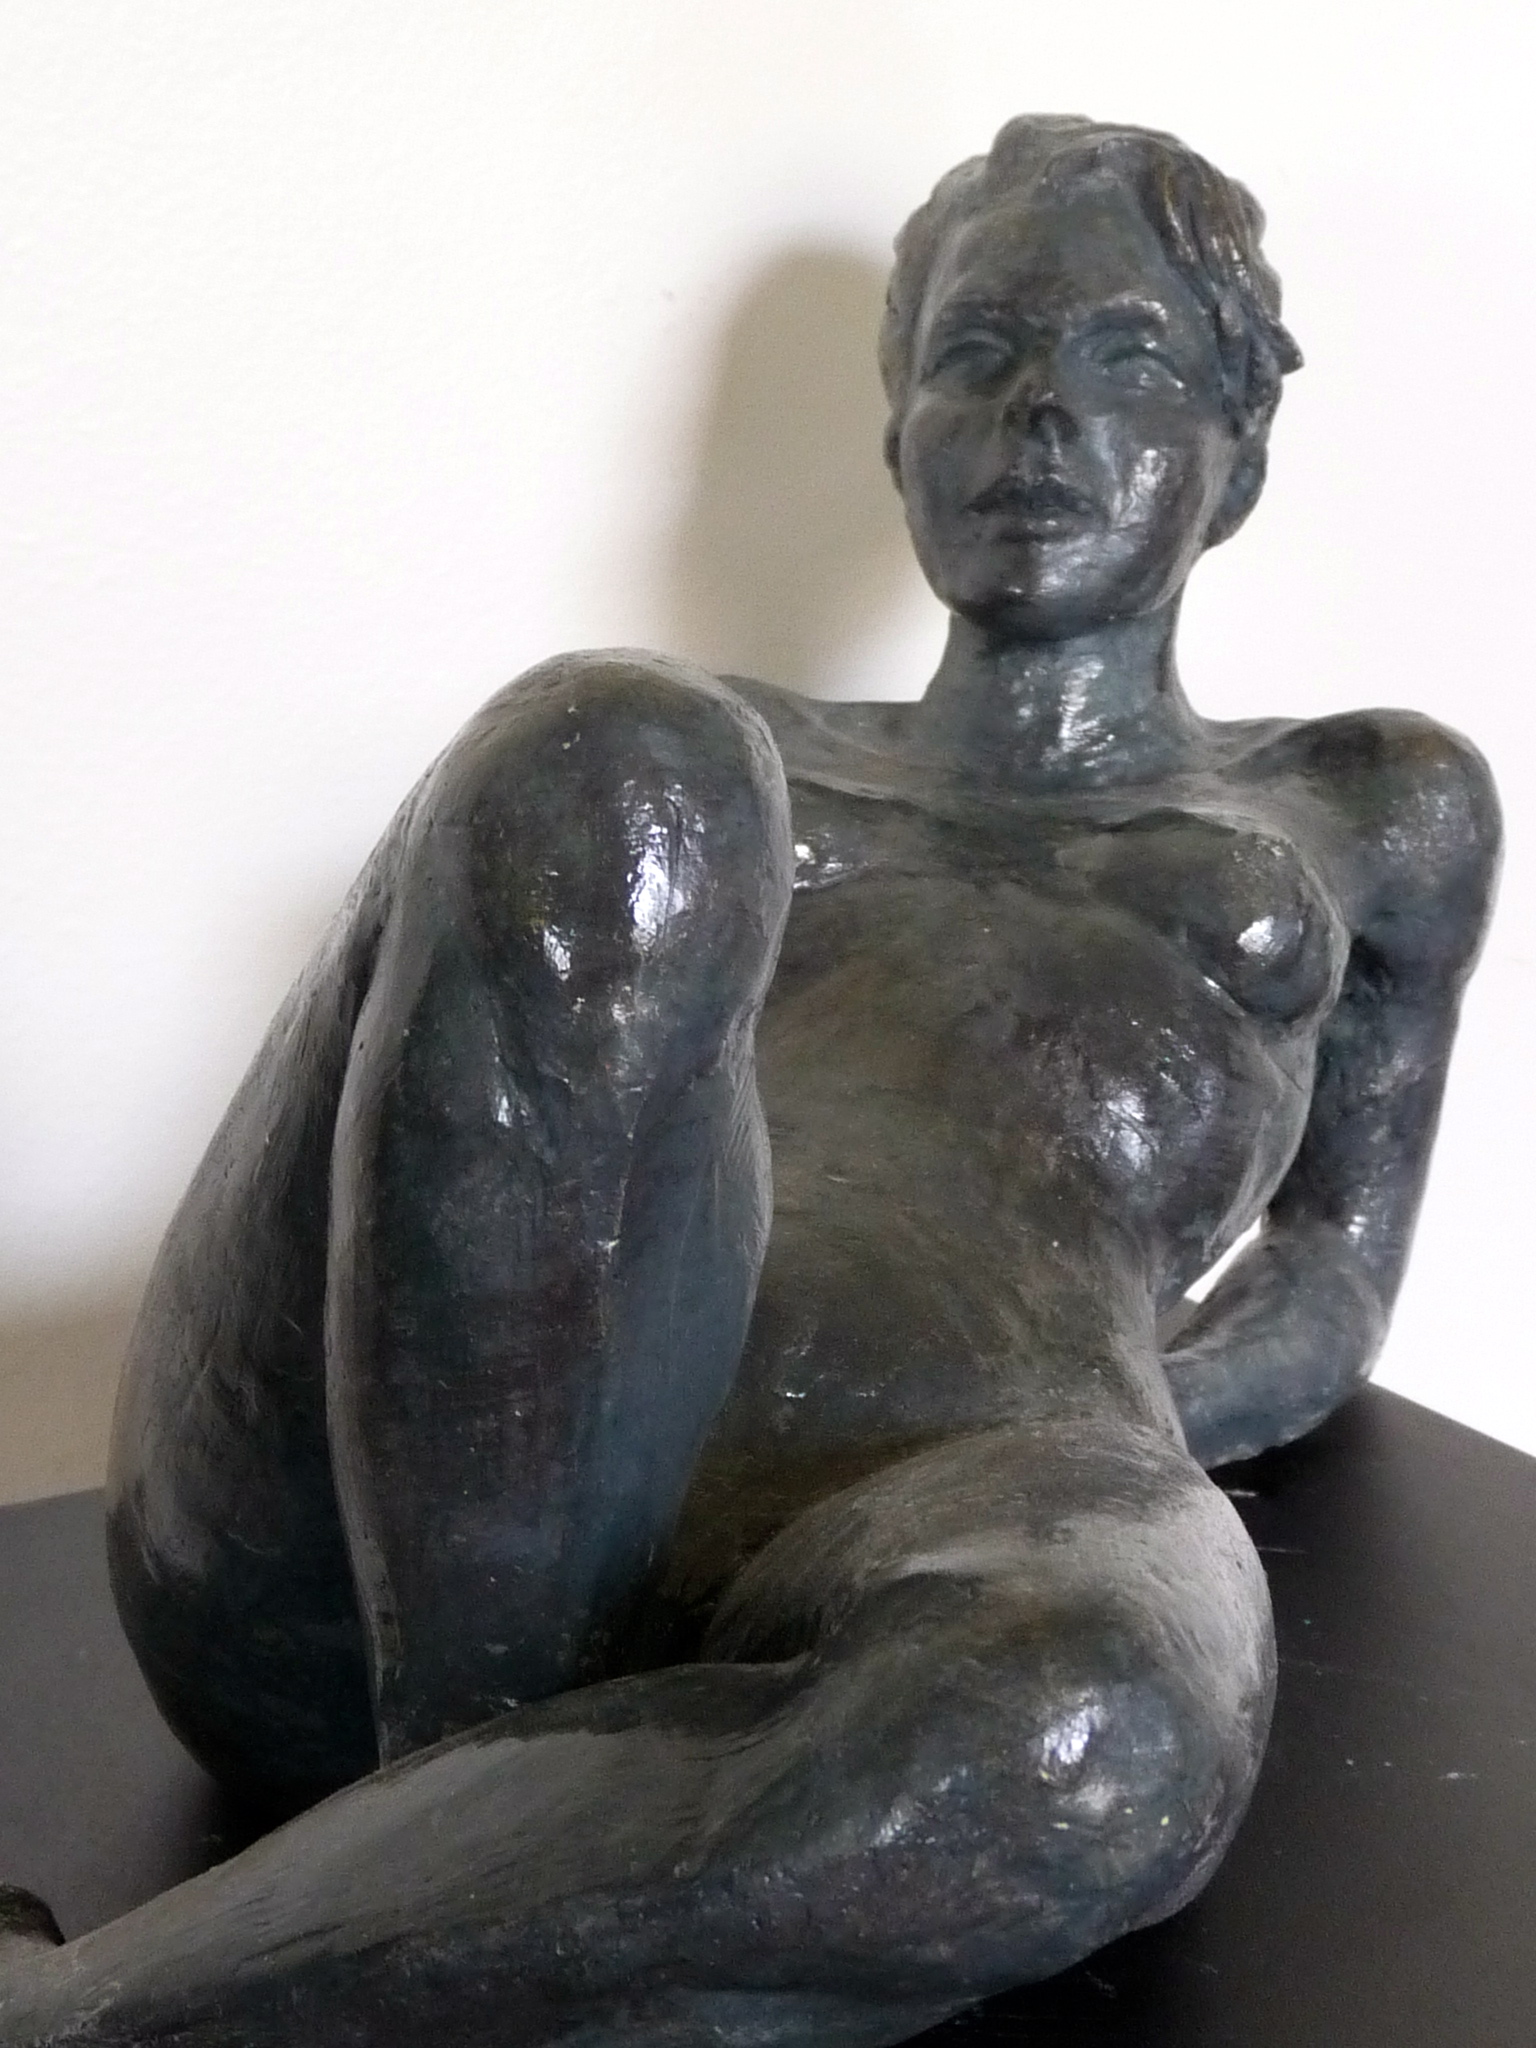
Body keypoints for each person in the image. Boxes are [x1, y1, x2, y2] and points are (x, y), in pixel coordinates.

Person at [0, 116, 1500, 2048]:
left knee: (1085, 1735)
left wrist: (1115, 1422)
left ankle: (128, 1999)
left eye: (1126, 357)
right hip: (405, 1546)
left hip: (946, 1493)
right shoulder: (735, 762)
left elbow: (1335, 1271)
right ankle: (485, 1789)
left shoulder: (1365, 802)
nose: (1041, 414)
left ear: (1242, 451)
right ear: (898, 438)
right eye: (977, 354)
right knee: (613, 737)